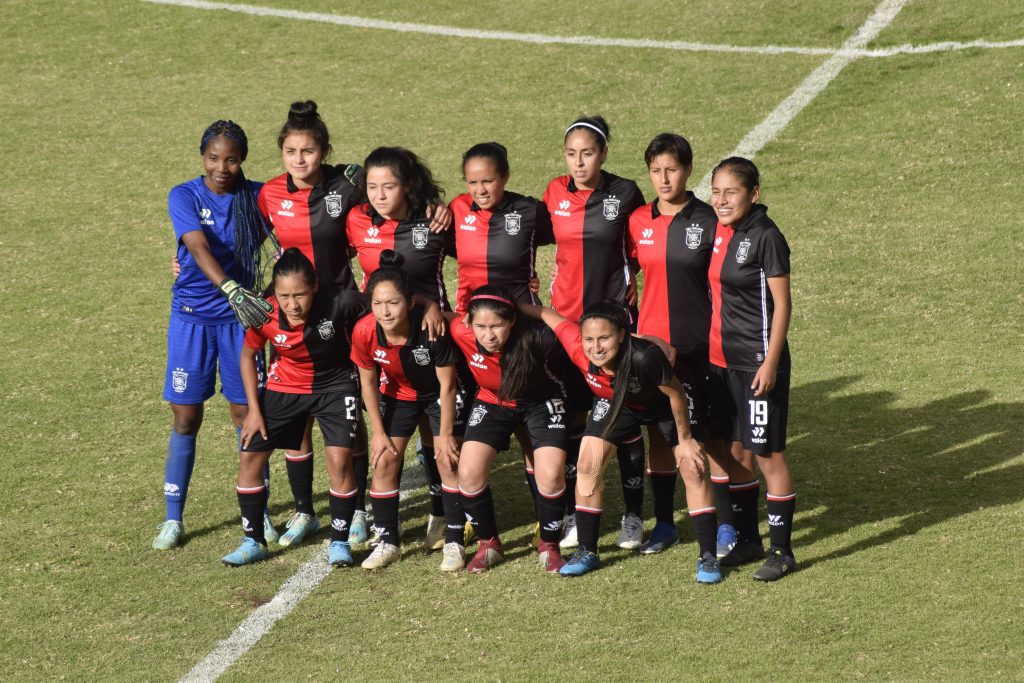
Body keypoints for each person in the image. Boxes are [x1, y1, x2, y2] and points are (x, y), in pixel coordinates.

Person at [521, 302, 721, 582]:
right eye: (590, 339)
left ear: (623, 336)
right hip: (619, 401)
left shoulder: (645, 357)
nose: (596, 347)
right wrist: (505, 305)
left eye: (604, 338)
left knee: (692, 466)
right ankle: (587, 551)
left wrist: (686, 440)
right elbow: (547, 315)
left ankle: (709, 557)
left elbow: (675, 393)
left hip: (666, 400)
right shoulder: (578, 348)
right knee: (588, 462)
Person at [154, 119, 277, 551]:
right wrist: (228, 287)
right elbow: (197, 245)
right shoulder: (184, 195)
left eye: (231, 158)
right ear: (201, 156)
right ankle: (173, 518)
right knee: (186, 417)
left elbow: (304, 205)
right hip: (191, 319)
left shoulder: (259, 197)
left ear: (242, 159)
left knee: (248, 417)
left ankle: (258, 511)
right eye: (213, 157)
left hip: (241, 325)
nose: (221, 167)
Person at [626, 133, 735, 556]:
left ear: (688, 170)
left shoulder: (709, 220)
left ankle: (726, 524)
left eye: (671, 169)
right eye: (656, 171)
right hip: (653, 349)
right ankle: (666, 524)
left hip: (700, 347)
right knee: (661, 435)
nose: (664, 178)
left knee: (708, 437)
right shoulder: (638, 220)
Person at [225, 248, 369, 567]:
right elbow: (249, 356)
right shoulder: (264, 312)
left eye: (300, 294)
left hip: (335, 386)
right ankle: (254, 540)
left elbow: (382, 313)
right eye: (284, 295)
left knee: (340, 461)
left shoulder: (340, 301)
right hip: (285, 386)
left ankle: (339, 542)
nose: (292, 304)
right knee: (249, 457)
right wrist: (254, 409)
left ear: (314, 287)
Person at [543, 115, 647, 551]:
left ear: (603, 153)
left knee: (622, 419)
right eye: (572, 154)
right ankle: (571, 511)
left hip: (613, 327)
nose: (579, 162)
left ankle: (634, 516)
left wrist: (617, 289)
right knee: (570, 418)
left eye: (587, 153)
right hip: (566, 327)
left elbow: (642, 249)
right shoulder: (553, 191)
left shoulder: (624, 194)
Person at [706, 156, 797, 582]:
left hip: (757, 364)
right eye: (717, 191)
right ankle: (747, 541)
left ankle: (782, 552)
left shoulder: (766, 236)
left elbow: (783, 305)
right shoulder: (722, 231)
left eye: (732, 192)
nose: (721, 200)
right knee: (735, 451)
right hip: (722, 363)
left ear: (753, 194)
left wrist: (771, 361)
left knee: (767, 454)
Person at [350, 251, 468, 570]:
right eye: (377, 304)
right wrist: (378, 432)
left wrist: (444, 434)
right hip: (399, 394)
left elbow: (448, 386)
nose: (385, 312)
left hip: (437, 394)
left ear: (410, 302)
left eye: (393, 303)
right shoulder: (363, 332)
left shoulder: (431, 329)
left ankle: (453, 537)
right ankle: (388, 540)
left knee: (446, 458)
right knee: (385, 458)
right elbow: (368, 384)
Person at [448, 286, 571, 573]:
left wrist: (535, 309)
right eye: (480, 326)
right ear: (469, 322)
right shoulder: (460, 331)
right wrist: (428, 307)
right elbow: (435, 314)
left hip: (541, 402)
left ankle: (549, 545)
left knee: (551, 474)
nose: (488, 335)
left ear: (512, 321)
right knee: (468, 472)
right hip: (492, 401)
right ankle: (488, 544)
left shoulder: (539, 338)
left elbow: (572, 331)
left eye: (497, 326)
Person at [447, 142, 553, 313]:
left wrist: (560, 269)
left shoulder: (529, 210)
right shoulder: (457, 208)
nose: (480, 190)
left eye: (488, 181)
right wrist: (433, 204)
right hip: (470, 317)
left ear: (505, 177)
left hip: (522, 314)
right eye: (472, 182)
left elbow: (568, 237)